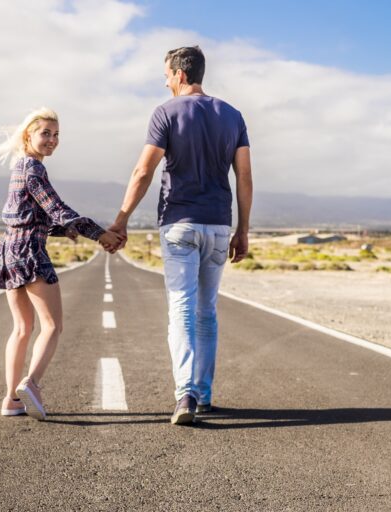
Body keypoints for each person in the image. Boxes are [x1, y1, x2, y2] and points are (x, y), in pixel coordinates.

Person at [109, 46, 253, 425]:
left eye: (167, 75)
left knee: (182, 310)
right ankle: (203, 394)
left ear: (180, 75)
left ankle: (185, 394)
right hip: (219, 224)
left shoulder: (165, 113)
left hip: (180, 223)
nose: (166, 81)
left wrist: (121, 220)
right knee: (207, 312)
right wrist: (243, 229)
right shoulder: (233, 115)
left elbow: (143, 171)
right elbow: (244, 176)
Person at [0, 107, 123, 420]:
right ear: (28, 135)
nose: (52, 140)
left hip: (8, 251)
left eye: (56, 135)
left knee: (22, 328)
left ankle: (11, 400)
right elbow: (56, 208)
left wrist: (69, 231)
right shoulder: (33, 168)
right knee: (52, 326)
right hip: (30, 252)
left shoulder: (19, 168)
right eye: (45, 133)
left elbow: (35, 217)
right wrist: (100, 234)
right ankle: (31, 384)